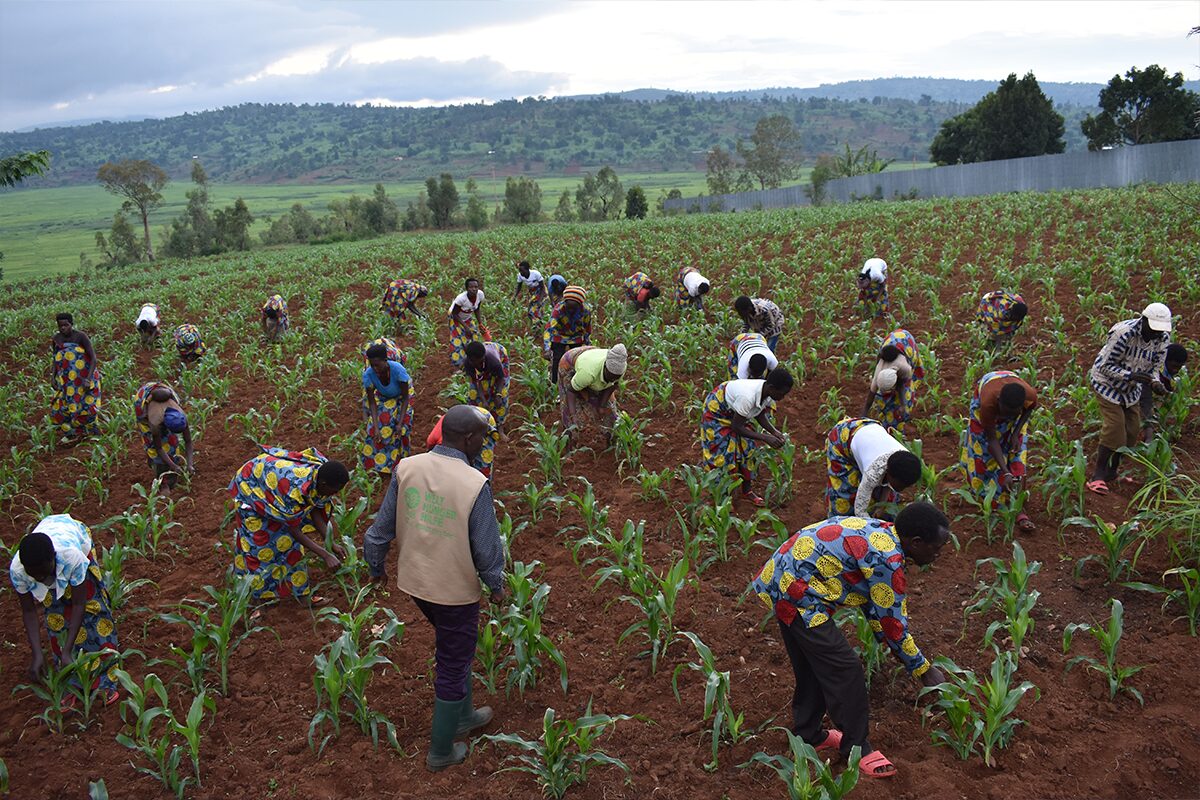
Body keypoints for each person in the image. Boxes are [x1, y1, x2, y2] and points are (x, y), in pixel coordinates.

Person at [750, 502, 951, 779]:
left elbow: (874, 603)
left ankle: (809, 734)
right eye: (936, 548)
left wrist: (891, 642)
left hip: (782, 577)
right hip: (798, 594)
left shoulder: (882, 531)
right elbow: (893, 625)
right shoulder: (888, 559)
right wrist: (923, 670)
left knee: (814, 666)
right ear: (916, 543)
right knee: (846, 670)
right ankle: (857, 748)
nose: (939, 554)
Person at [363, 405, 505, 771]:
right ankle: (441, 751)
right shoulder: (474, 483)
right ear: (469, 439)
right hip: (453, 591)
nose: (482, 446)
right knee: (454, 663)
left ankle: (465, 714)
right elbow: (487, 548)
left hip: (415, 582)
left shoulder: (407, 466)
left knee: (456, 647)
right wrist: (497, 587)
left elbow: (380, 529)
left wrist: (375, 566)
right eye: (481, 440)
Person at [11, 514, 121, 703]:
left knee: (95, 611)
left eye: (43, 573)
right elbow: (29, 611)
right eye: (33, 575)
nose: (39, 579)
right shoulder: (18, 571)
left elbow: (80, 604)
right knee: (57, 617)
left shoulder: (71, 556)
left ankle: (106, 679)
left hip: (74, 535)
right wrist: (37, 653)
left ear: (53, 559)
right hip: (49, 545)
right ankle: (72, 681)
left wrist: (68, 650)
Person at [228, 446, 348, 603]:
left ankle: (302, 595)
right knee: (260, 544)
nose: (335, 494)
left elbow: (315, 507)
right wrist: (325, 555)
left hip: (275, 489)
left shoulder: (321, 476)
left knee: (292, 547)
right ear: (324, 484)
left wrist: (330, 543)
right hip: (251, 488)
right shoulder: (294, 488)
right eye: (334, 490)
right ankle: (258, 601)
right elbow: (294, 530)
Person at [1087, 303, 1172, 495]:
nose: (1156, 335)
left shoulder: (1163, 338)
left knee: (1132, 431)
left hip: (1132, 389)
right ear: (1143, 321)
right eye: (1153, 329)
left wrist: (1156, 383)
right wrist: (1130, 375)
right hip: (1107, 384)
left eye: (1159, 331)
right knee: (1115, 427)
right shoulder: (1123, 333)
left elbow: (1155, 368)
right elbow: (1105, 366)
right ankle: (1097, 475)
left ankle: (1112, 472)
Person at [700, 369, 794, 507]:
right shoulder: (748, 397)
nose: (782, 398)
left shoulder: (767, 392)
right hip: (717, 411)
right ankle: (722, 496)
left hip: (735, 411)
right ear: (772, 387)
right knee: (723, 453)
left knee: (748, 448)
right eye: (782, 394)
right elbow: (736, 427)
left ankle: (747, 491)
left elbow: (759, 413)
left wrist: (774, 432)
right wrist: (765, 438)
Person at [960, 370, 1038, 530]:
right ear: (998, 402)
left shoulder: (1029, 396)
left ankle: (1018, 507)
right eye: (1004, 412)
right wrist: (1005, 471)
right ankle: (987, 496)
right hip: (986, 397)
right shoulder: (988, 403)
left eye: (1012, 414)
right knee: (984, 455)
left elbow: (1028, 410)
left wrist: (1016, 433)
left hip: (1009, 394)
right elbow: (992, 439)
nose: (1006, 416)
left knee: (1017, 454)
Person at [825, 418, 922, 519]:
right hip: (844, 437)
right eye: (901, 485)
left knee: (887, 499)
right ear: (888, 472)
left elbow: (889, 485)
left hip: (871, 433)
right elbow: (860, 511)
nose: (902, 489)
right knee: (845, 495)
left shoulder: (906, 459)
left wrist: (881, 508)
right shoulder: (873, 474)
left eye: (905, 486)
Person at [558, 343, 626, 448]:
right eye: (611, 376)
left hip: (592, 355)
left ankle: (610, 440)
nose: (613, 379)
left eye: (615, 377)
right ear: (605, 367)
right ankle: (569, 440)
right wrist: (573, 415)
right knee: (572, 413)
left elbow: (613, 385)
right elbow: (571, 391)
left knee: (611, 411)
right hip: (571, 361)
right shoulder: (588, 374)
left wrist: (601, 406)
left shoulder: (620, 368)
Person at [361, 339, 412, 473]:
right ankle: (378, 465)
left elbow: (406, 398)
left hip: (402, 396)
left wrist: (400, 422)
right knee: (375, 428)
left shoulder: (398, 370)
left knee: (401, 428)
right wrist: (377, 427)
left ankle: (400, 463)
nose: (375, 369)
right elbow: (372, 403)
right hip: (384, 397)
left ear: (385, 360)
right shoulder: (368, 375)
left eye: (377, 365)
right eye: (372, 365)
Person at [50, 312, 102, 444]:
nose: (63, 328)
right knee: (63, 407)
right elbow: (55, 360)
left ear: (71, 324)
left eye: (66, 325)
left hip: (84, 377)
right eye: (60, 325)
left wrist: (88, 379)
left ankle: (90, 431)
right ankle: (74, 433)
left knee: (87, 403)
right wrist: (53, 377)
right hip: (67, 380)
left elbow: (93, 358)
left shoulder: (80, 337)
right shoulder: (56, 339)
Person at [861, 329, 924, 435]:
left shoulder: (904, 368)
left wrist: (903, 405)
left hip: (906, 341)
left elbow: (901, 385)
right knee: (883, 400)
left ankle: (900, 427)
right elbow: (871, 395)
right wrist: (864, 414)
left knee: (906, 397)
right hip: (890, 342)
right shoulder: (878, 372)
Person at [133, 382, 194, 490]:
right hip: (143, 399)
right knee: (152, 444)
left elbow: (188, 441)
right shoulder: (154, 422)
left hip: (161, 391)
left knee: (171, 441)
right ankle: (157, 466)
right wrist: (174, 466)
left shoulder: (181, 417)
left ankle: (170, 462)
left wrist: (190, 464)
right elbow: (159, 448)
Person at [426, 407, 500, 479]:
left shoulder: (458, 442)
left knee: (482, 465)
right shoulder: (433, 442)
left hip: (483, 419)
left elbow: (469, 455)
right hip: (463, 416)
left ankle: (483, 488)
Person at [543, 285, 591, 384]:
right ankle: (554, 383)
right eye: (568, 307)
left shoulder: (585, 311)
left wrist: (587, 344)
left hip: (576, 336)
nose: (570, 310)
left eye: (574, 307)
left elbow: (587, 328)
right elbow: (549, 328)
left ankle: (575, 382)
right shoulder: (558, 309)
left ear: (580, 304)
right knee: (557, 359)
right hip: (560, 335)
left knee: (577, 359)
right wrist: (547, 348)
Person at [1141, 344, 1188, 442]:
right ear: (1164, 360)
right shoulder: (1153, 369)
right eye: (1174, 366)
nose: (1176, 370)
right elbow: (1146, 400)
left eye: (1179, 367)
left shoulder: (1171, 374)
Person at [463, 340, 510, 434]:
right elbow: (476, 381)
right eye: (473, 362)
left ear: (483, 358)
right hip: (485, 359)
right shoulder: (468, 363)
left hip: (499, 355)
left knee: (502, 397)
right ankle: (479, 424)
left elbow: (501, 378)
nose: (476, 364)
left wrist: (498, 394)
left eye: (479, 362)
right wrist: (483, 401)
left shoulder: (494, 361)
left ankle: (500, 427)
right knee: (473, 395)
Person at [448, 277, 487, 368]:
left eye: (476, 287)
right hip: (455, 318)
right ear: (467, 288)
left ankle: (473, 359)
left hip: (467, 317)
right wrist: (466, 327)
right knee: (457, 340)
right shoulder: (461, 299)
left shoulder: (480, 295)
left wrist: (480, 323)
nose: (474, 289)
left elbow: (477, 309)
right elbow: (454, 314)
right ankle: (458, 365)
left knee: (474, 336)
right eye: (471, 287)